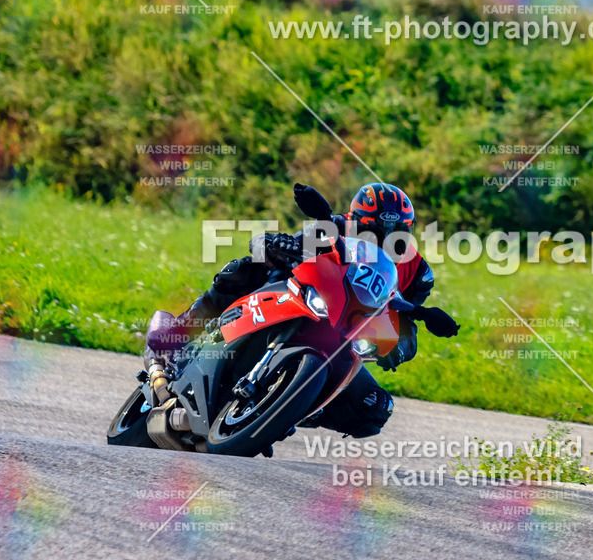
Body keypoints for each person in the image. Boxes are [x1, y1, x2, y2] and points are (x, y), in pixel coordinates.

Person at [146, 182, 436, 438]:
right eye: (373, 231)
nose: (383, 240)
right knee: (242, 269)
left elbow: (407, 325)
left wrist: (400, 346)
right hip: (300, 302)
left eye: (394, 234)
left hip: (347, 339)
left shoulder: (417, 273)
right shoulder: (332, 226)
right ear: (354, 221)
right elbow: (267, 245)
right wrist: (277, 245)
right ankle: (179, 333)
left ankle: (293, 409)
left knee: (375, 407)